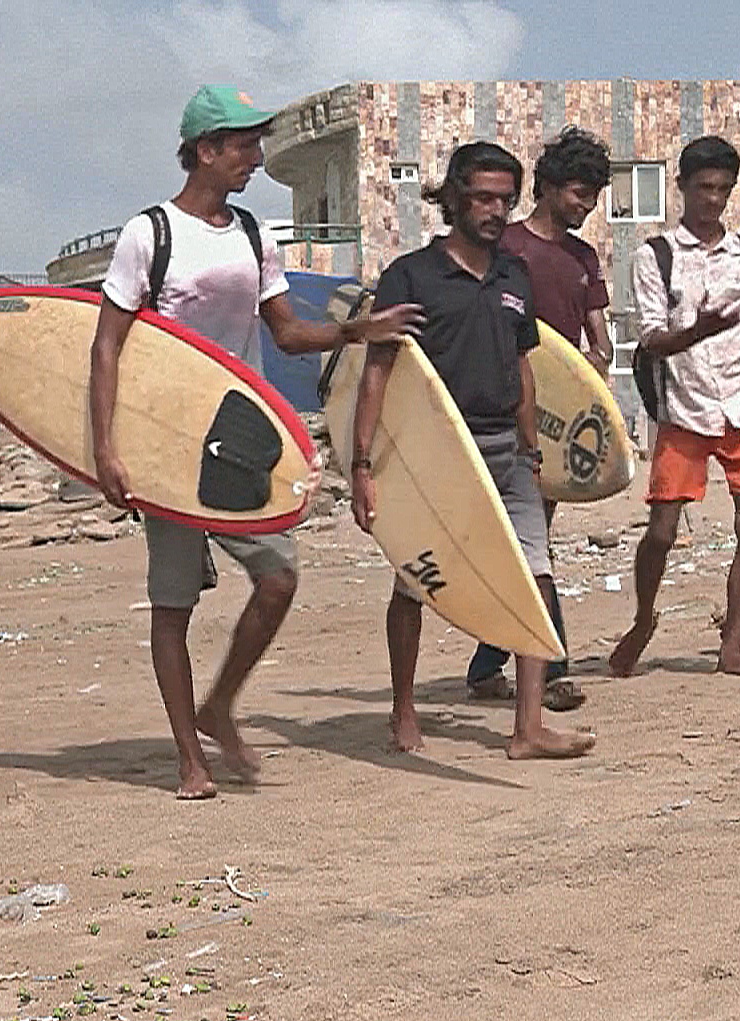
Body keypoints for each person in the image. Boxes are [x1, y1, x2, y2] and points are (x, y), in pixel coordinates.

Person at [90, 85, 421, 799]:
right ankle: (189, 756)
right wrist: (106, 448)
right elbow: (107, 346)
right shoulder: (149, 234)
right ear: (206, 150)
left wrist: (352, 332)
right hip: (165, 438)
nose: (256, 158)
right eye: (244, 145)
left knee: (278, 577)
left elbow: (286, 332)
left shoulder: (251, 234)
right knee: (174, 602)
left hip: (240, 432)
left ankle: (219, 706)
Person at [350, 142, 596, 760]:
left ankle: (528, 727)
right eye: (483, 197)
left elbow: (523, 363)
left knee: (535, 578)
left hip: (508, 451)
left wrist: (533, 446)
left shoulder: (515, 275)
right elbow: (378, 372)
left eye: (505, 200)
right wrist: (362, 464)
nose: (494, 210)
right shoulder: (412, 275)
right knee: (414, 581)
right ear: (455, 197)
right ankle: (404, 709)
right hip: (439, 454)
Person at [608, 135, 740, 678]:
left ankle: (731, 644)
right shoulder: (655, 255)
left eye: (723, 189)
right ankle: (643, 617)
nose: (713, 200)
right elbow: (651, 337)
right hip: (683, 407)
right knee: (662, 530)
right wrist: (695, 332)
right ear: (681, 187)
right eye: (704, 188)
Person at [464, 126, 614, 712]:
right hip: (499, 412)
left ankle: (493, 662)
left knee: (532, 546)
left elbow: (597, 343)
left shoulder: (583, 258)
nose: (586, 206)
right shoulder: (509, 249)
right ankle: (547, 666)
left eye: (595, 197)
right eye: (580, 193)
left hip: (554, 421)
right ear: (548, 186)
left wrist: (591, 371)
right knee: (521, 545)